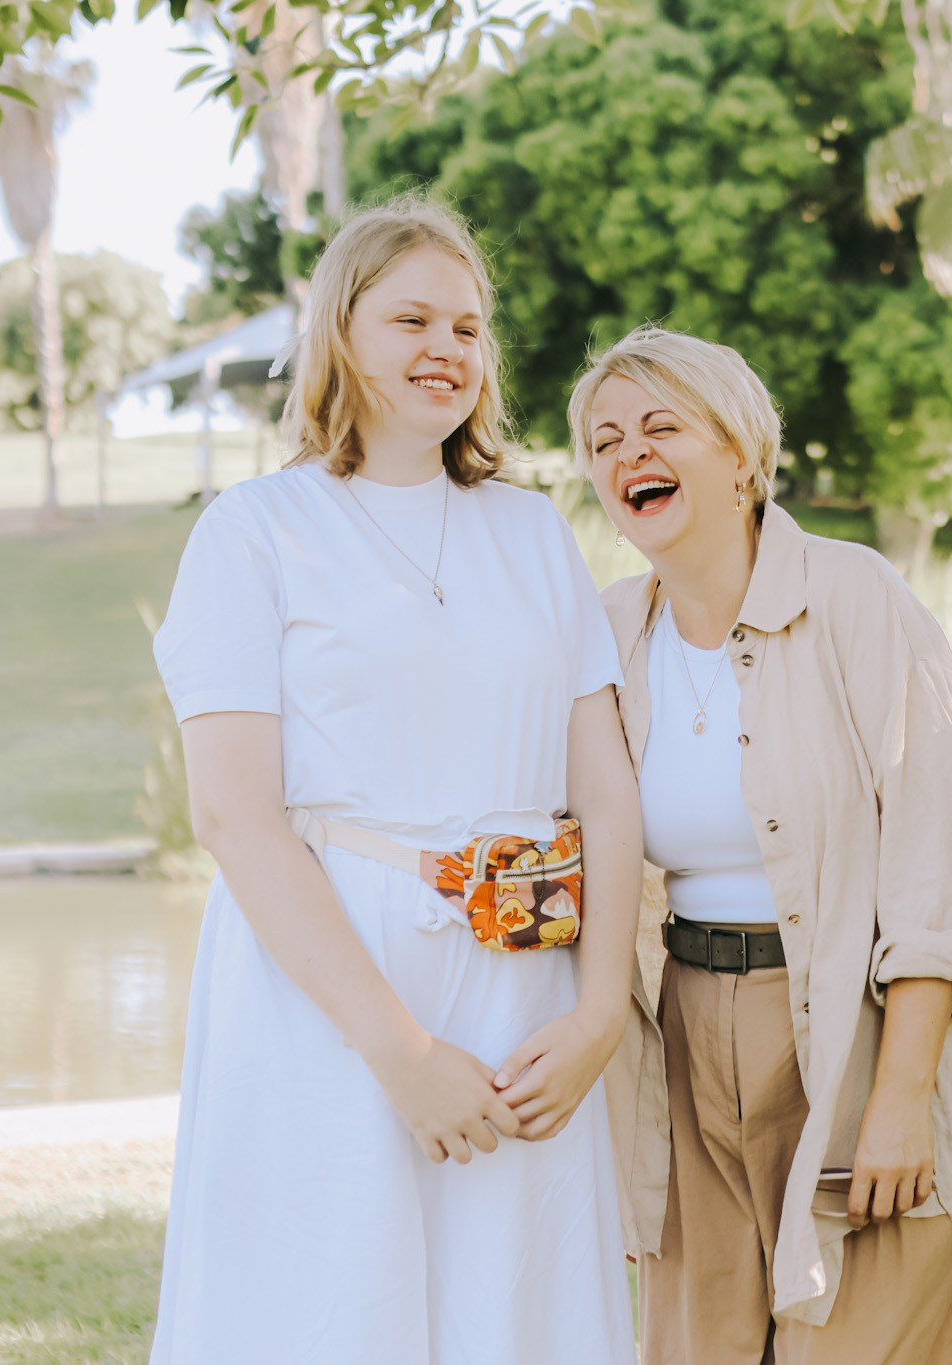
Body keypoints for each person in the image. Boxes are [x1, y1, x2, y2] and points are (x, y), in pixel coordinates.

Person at [148, 198, 640, 1365]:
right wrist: (402, 1055)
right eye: (412, 317)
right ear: (339, 333)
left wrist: (599, 1012)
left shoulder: (531, 533)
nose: (447, 349)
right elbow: (233, 814)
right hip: (330, 1001)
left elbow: (606, 792)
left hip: (525, 992)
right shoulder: (252, 533)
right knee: (333, 1307)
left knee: (513, 1312)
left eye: (468, 328)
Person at [571, 325, 952, 1364]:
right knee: (706, 1343)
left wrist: (900, 1101)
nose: (625, 457)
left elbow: (940, 866)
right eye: (602, 443)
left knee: (861, 1337)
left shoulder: (856, 598)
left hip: (858, 1033)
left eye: (659, 427)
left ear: (740, 454)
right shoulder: (601, 635)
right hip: (686, 1038)